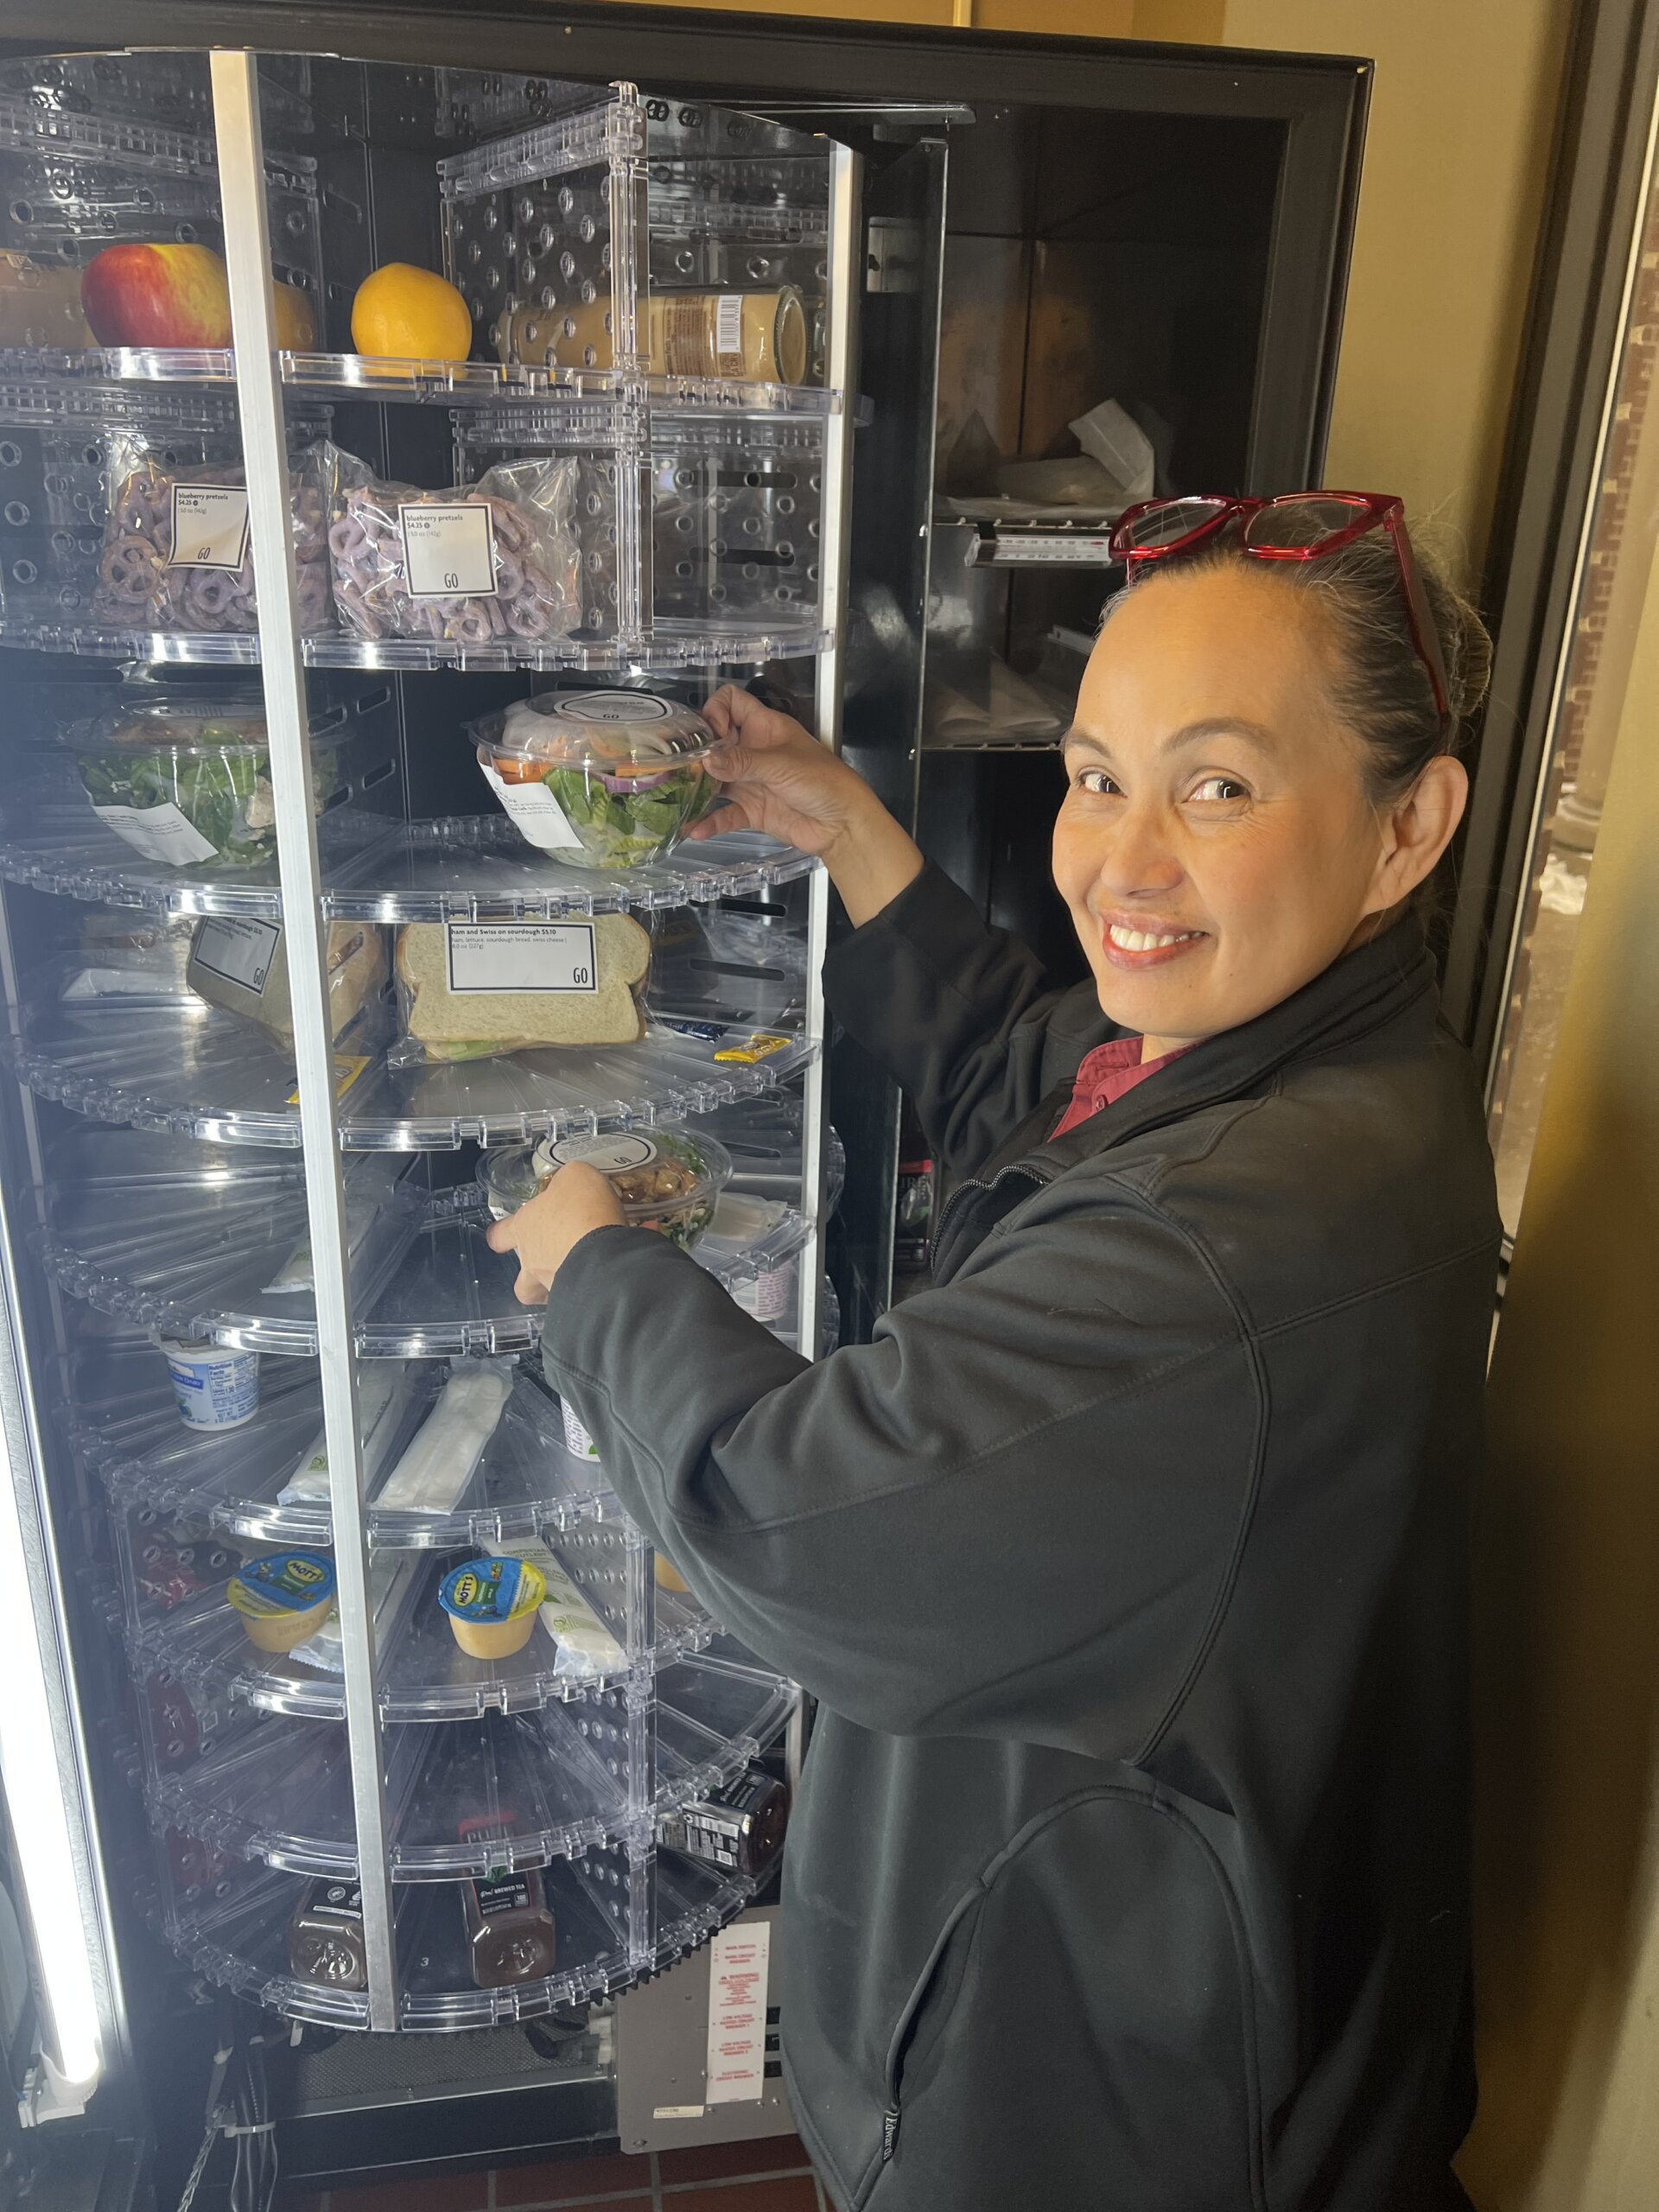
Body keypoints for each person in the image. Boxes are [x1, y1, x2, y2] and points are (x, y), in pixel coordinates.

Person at [488, 493, 1502, 2212]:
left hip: (1105, 2118)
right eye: (1099, 773)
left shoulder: (1234, 1252)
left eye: (1220, 785)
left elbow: (792, 1520)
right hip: (1212, 2037)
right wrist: (852, 830)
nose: (1122, 859)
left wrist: (595, 1270)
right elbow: (1045, 1081)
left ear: (1409, 828)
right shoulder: (1320, 1069)